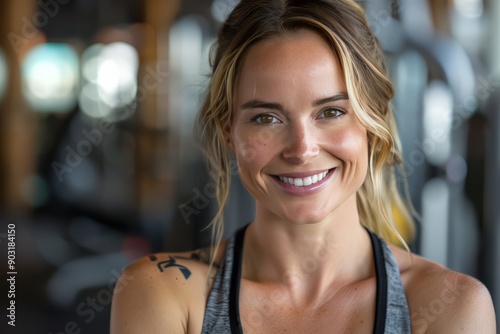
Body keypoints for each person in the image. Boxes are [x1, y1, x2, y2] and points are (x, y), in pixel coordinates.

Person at [110, 0, 496, 333]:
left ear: (372, 124)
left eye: (330, 112)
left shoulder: (450, 306)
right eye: (266, 118)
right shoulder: (163, 294)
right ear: (230, 132)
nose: (301, 149)